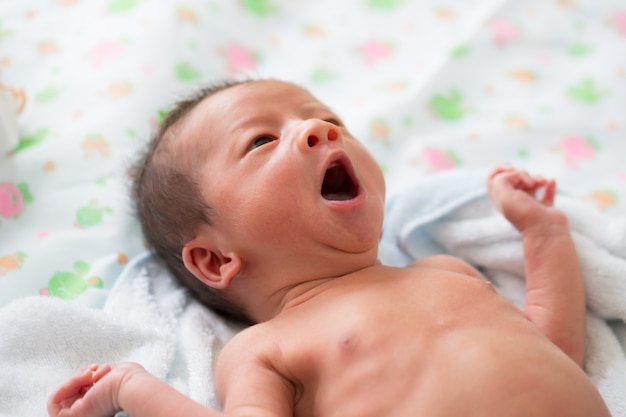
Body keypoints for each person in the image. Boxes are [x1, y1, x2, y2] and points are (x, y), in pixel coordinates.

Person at [47, 79, 611, 417]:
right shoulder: (266, 348)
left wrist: (543, 234)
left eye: (327, 118)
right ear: (217, 260)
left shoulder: (445, 271)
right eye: (261, 141)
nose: (319, 129)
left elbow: (557, 353)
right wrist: (131, 386)